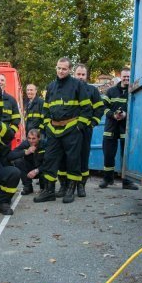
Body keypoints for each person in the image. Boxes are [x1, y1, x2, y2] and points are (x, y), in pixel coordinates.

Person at [34, 57, 91, 204]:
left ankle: (70, 190)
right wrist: (47, 124)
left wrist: (79, 126)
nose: (61, 71)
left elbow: (86, 109)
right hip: (53, 129)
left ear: (70, 70)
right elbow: (46, 108)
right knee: (49, 160)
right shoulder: (51, 86)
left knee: (73, 161)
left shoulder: (77, 85)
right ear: (56, 67)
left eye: (64, 69)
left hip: (72, 129)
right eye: (59, 68)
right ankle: (49, 191)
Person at [100, 67, 138, 190]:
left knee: (125, 155)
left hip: (125, 128)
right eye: (124, 76)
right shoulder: (111, 91)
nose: (126, 78)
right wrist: (113, 115)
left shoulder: (134, 91)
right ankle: (107, 179)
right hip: (110, 127)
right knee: (108, 154)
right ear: (120, 77)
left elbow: (138, 108)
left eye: (128, 77)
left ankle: (126, 182)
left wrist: (125, 114)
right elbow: (103, 107)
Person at [73, 63, 104, 197]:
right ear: (74, 75)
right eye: (78, 74)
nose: (80, 77)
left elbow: (99, 109)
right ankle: (68, 185)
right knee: (70, 157)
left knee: (83, 157)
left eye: (83, 74)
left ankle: (81, 186)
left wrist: (92, 123)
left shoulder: (92, 90)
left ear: (86, 76)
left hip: (85, 130)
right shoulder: (69, 89)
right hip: (70, 130)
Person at [7, 129, 45, 195]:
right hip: (30, 169)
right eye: (29, 138)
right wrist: (26, 152)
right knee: (18, 161)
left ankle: (44, 188)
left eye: (34, 138)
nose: (31, 141)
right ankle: (28, 186)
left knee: (49, 167)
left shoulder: (45, 144)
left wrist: (37, 170)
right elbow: (10, 155)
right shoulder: (26, 143)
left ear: (39, 138)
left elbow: (50, 162)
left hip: (42, 169)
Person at [0, 73, 21, 165]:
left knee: (5, 161)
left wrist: (11, 132)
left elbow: (17, 118)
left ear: (5, 83)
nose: (0, 82)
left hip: (5, 138)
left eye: (2, 80)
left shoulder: (11, 100)